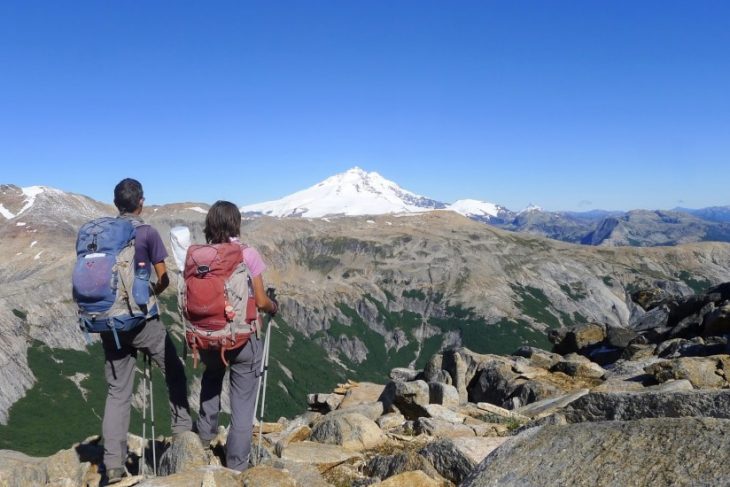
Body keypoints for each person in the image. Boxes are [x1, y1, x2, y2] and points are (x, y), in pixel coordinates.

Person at [101, 178, 192, 483]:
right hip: (142, 321)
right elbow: (164, 278)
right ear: (140, 202)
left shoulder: (100, 234)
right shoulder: (147, 233)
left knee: (117, 392)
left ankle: (113, 465)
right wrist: (153, 288)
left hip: (109, 324)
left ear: (117, 204)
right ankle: (182, 433)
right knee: (174, 369)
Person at [195, 200, 277, 471]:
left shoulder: (200, 256)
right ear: (236, 224)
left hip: (207, 337)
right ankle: (236, 465)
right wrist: (273, 306)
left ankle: (204, 439)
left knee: (211, 378)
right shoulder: (247, 253)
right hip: (241, 339)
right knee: (242, 403)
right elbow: (262, 301)